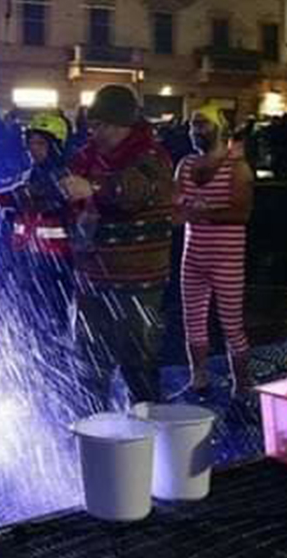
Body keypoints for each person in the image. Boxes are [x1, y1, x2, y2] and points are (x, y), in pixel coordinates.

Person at [60, 85, 174, 409]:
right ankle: (95, 436)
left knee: (139, 367)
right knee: (89, 365)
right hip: (92, 281)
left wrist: (93, 187)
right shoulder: (86, 159)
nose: (94, 132)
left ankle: (150, 440)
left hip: (137, 284)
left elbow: (133, 190)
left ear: (121, 125)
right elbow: (59, 187)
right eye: (92, 125)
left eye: (101, 126)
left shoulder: (152, 158)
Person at [0, 112, 73, 338]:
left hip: (55, 269)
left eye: (40, 143)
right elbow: (10, 221)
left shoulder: (65, 176)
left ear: (56, 146)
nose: (33, 148)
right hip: (25, 264)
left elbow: (39, 195)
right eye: (30, 143)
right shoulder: (27, 176)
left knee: (52, 327)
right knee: (26, 324)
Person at [175, 105, 254, 396]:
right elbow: (175, 207)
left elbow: (242, 213)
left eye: (202, 124)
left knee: (232, 326)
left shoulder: (237, 167)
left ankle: (242, 385)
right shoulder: (185, 165)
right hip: (193, 257)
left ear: (220, 129)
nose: (195, 130)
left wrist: (202, 214)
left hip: (226, 260)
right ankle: (198, 379)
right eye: (193, 125)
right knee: (192, 321)